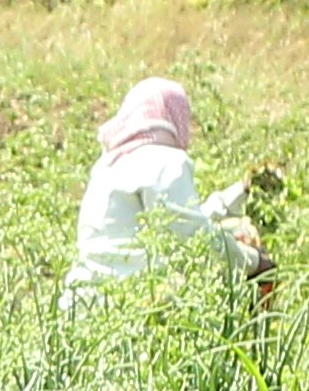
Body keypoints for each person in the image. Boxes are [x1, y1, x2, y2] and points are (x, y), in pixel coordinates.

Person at [63, 78, 272, 305]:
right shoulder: (164, 160)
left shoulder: (107, 168)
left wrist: (241, 192)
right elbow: (194, 236)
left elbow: (176, 219)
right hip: (129, 307)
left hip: (81, 304)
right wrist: (253, 261)